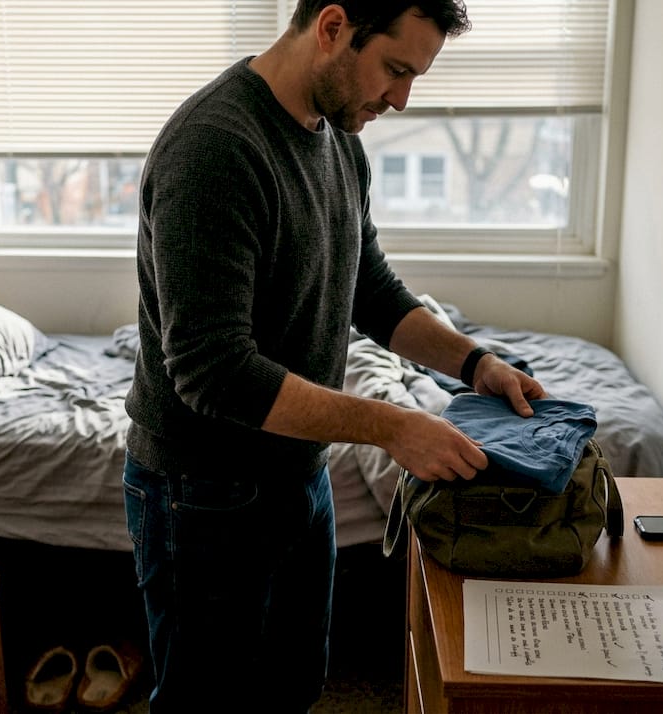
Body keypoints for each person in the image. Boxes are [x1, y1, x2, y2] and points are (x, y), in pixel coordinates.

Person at [122, 1, 546, 711]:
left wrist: (477, 365)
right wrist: (393, 427)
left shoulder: (339, 138)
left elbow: (369, 289)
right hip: (203, 492)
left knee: (294, 687)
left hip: (298, 470)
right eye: (395, 69)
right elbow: (213, 372)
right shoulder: (214, 149)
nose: (401, 99)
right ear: (331, 28)